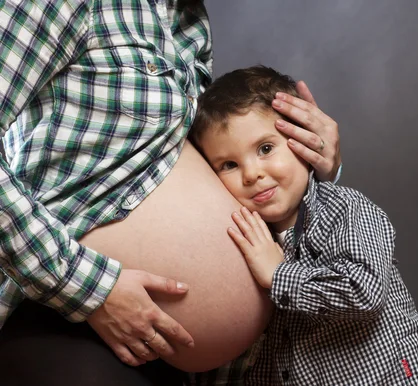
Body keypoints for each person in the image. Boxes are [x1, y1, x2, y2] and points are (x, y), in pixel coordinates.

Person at [0, 1, 341, 385]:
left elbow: (215, 160)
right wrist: (87, 288)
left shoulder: (187, 18)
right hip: (68, 316)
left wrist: (312, 165)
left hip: (182, 356)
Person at [189, 65, 418, 385]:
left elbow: (363, 290)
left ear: (303, 140)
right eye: (229, 164)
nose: (251, 174)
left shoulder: (345, 209)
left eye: (265, 148)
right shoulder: (256, 238)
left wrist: (278, 273)